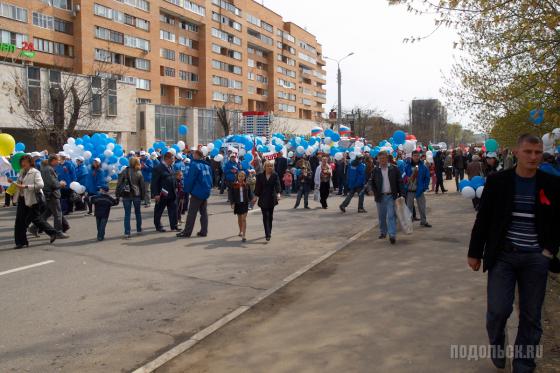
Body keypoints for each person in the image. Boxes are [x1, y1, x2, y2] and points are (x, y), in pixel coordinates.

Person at [468, 134, 560, 373]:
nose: (533, 157)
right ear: (516, 153)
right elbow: (484, 219)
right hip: (503, 256)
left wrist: (548, 251)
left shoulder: (552, 184)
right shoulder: (499, 181)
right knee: (498, 310)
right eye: (528, 152)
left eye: (537, 152)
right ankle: (497, 345)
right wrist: (475, 252)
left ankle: (523, 363)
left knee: (531, 316)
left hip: (536, 259)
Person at [13, 154, 58, 249]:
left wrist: (25, 187)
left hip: (33, 199)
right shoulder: (21, 172)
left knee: (36, 219)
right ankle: (21, 242)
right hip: (22, 198)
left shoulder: (35, 172)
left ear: (30, 162)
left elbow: (40, 185)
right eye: (22, 161)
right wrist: (14, 183)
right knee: (19, 221)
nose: (23, 163)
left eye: (25, 161)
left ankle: (53, 232)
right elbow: (20, 183)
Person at [177, 150, 213, 238]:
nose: (192, 155)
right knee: (203, 212)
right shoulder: (207, 166)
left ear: (196, 155)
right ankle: (204, 231)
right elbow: (211, 179)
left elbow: (190, 179)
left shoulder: (195, 165)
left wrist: (186, 190)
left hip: (197, 192)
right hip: (205, 191)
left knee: (191, 213)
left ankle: (187, 232)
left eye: (194, 154)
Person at [371, 151, 404, 245]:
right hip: (380, 196)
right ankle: (383, 232)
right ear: (378, 160)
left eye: (384, 158)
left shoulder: (394, 169)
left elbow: (400, 182)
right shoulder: (375, 170)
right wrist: (372, 190)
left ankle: (392, 235)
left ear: (387, 158)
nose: (382, 160)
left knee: (391, 216)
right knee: (381, 217)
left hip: (391, 196)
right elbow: (371, 182)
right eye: (380, 159)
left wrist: (402, 194)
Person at [40, 155, 70, 238]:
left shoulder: (47, 168)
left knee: (47, 213)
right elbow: (52, 183)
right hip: (52, 194)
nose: (59, 162)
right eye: (58, 160)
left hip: (49, 194)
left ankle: (34, 227)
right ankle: (58, 232)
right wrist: (60, 184)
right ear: (53, 160)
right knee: (58, 214)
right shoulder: (49, 169)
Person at [117, 156, 146, 238]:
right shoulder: (139, 172)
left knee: (127, 214)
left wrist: (117, 194)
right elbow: (142, 186)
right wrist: (143, 196)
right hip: (136, 194)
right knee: (138, 213)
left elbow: (119, 183)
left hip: (126, 194)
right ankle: (139, 229)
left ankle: (127, 232)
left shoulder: (124, 171)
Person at [252, 160, 281, 242]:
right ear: (265, 167)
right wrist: (255, 196)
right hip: (263, 198)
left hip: (272, 198)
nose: (269, 167)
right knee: (266, 216)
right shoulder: (260, 176)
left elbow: (277, 185)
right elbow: (258, 187)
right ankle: (267, 234)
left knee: (270, 217)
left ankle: (269, 231)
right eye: (268, 166)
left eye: (271, 166)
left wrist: (278, 193)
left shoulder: (275, 175)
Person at [151, 152, 178, 233]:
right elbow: (154, 182)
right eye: (172, 159)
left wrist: (176, 187)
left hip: (172, 193)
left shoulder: (171, 167)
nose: (173, 161)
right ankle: (158, 226)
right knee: (159, 211)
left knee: (173, 210)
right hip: (162, 194)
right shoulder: (158, 168)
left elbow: (173, 178)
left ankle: (174, 226)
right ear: (167, 159)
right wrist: (155, 194)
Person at [404, 151, 432, 228]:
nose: (416, 157)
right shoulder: (407, 166)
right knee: (409, 207)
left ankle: (423, 221)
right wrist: (407, 179)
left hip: (419, 190)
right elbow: (403, 176)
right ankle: (408, 223)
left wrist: (424, 187)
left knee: (422, 207)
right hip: (409, 190)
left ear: (419, 157)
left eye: (417, 156)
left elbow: (427, 177)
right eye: (415, 155)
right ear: (412, 156)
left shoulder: (423, 167)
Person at [229, 171, 251, 242]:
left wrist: (253, 198)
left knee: (244, 219)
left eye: (242, 176)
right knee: (239, 219)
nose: (241, 177)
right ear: (237, 177)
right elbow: (231, 195)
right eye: (239, 176)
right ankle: (240, 230)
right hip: (238, 204)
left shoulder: (247, 184)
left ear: (244, 177)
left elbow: (250, 194)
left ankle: (244, 235)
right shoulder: (234, 185)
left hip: (245, 204)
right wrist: (232, 203)